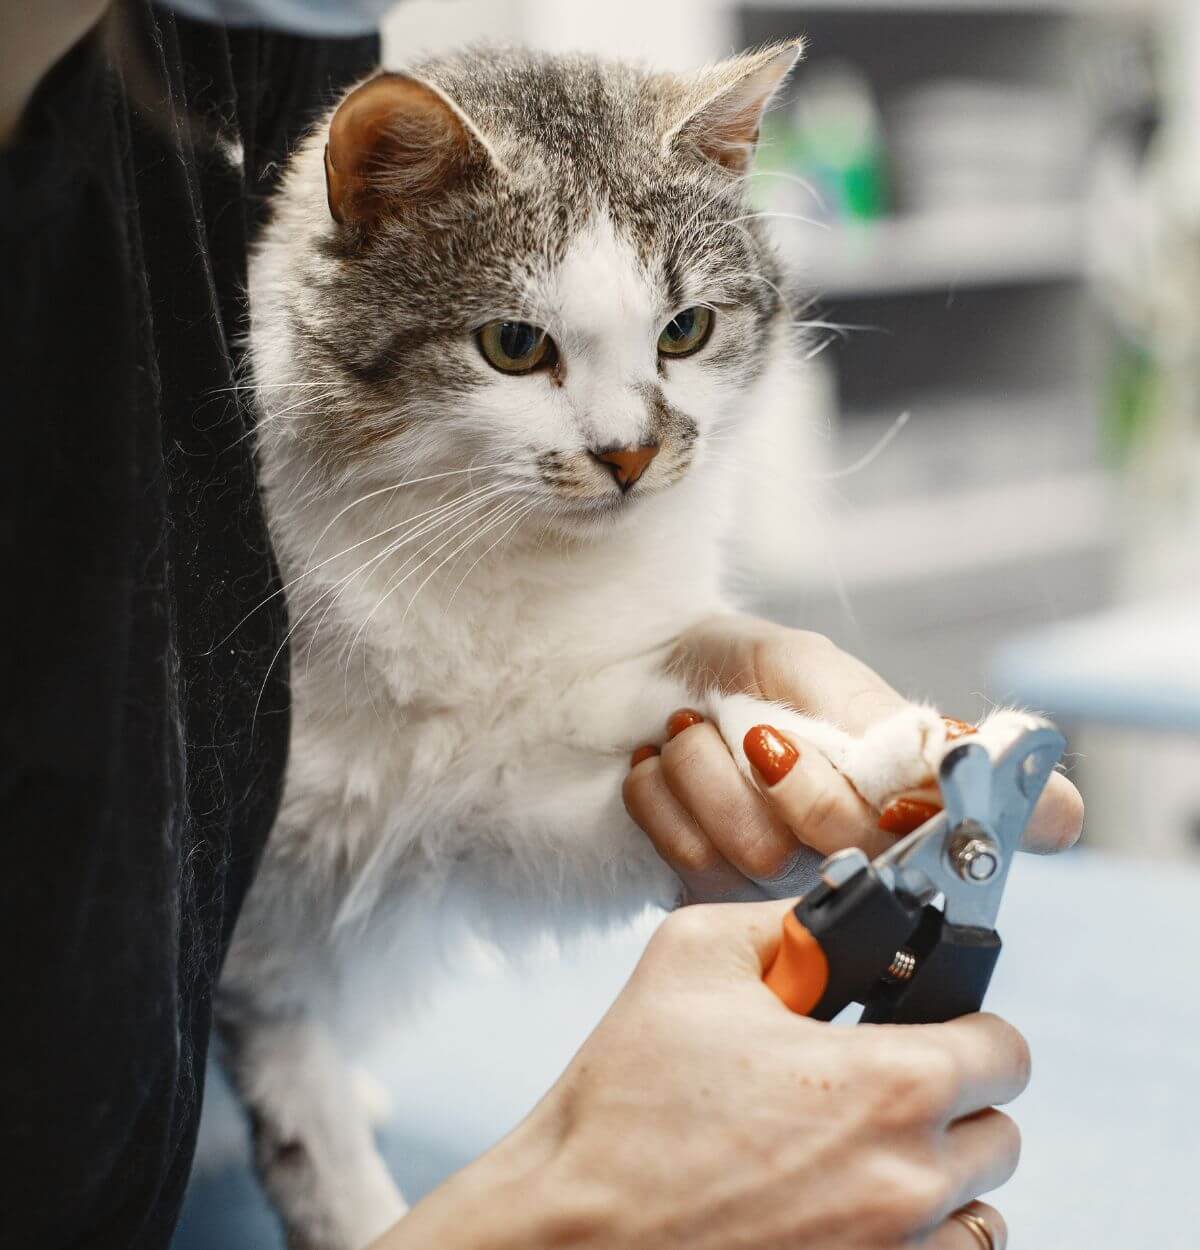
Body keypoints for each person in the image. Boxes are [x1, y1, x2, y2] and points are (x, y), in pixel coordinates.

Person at [0, 5, 1083, 1249]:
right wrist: (563, 1208)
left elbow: (486, 812)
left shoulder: (258, 47)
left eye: (683, 336)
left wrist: (789, 754)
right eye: (522, 345)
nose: (630, 442)